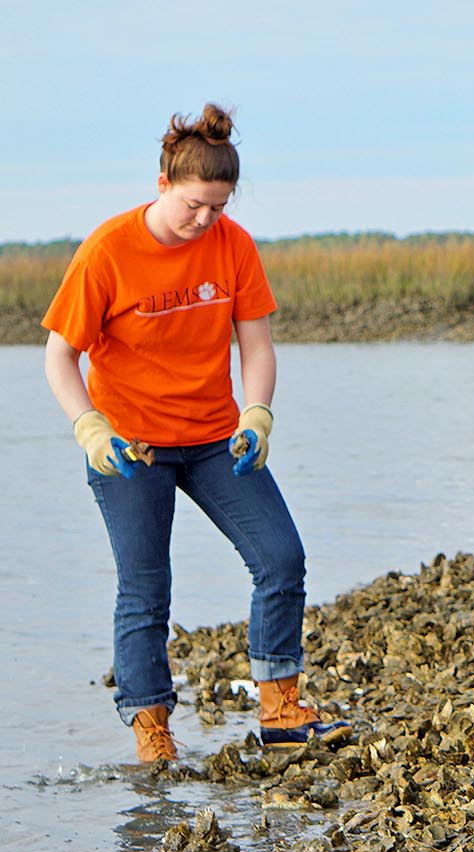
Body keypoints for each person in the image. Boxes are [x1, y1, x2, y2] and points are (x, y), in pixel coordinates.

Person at [42, 104, 351, 763]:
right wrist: (90, 429)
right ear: (162, 185)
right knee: (146, 587)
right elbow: (58, 356)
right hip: (129, 447)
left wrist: (257, 414)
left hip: (215, 439)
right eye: (194, 206)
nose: (206, 220)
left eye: (219, 206)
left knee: (281, 558)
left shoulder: (233, 245)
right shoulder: (108, 250)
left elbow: (257, 348)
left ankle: (281, 711)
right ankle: (152, 731)